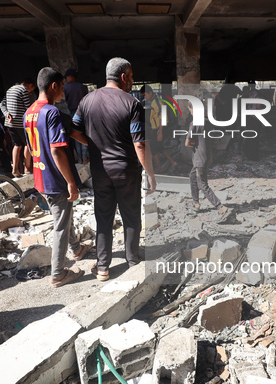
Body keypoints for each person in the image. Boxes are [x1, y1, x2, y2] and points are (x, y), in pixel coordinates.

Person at [72, 57, 156, 281]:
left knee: (103, 217)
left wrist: (91, 143)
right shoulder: (132, 103)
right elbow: (139, 143)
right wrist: (150, 173)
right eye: (131, 75)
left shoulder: (87, 101)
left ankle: (102, 268)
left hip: (100, 172)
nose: (133, 80)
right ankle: (132, 260)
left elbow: (73, 129)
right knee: (130, 216)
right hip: (126, 171)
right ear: (123, 77)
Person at [24, 67, 90, 287]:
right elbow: (57, 150)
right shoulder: (51, 113)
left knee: (64, 215)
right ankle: (58, 273)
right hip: (55, 179)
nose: (64, 91)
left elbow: (29, 147)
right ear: (54, 86)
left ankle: (77, 250)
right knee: (61, 224)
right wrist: (71, 182)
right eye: (62, 87)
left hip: (41, 177)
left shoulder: (29, 112)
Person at [185, 102, 231, 220]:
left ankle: (220, 206)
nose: (190, 112)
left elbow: (187, 143)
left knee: (202, 184)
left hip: (199, 158)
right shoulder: (207, 121)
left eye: (190, 109)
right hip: (206, 155)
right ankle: (196, 203)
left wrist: (194, 143)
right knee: (192, 176)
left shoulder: (194, 123)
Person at [0, 78, 36, 177]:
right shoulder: (23, 90)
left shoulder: (9, 90)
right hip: (20, 122)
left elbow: (2, 104)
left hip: (10, 122)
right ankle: (27, 168)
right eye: (31, 90)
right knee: (28, 143)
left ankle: (15, 169)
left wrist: (6, 113)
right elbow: (27, 106)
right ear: (30, 85)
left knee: (17, 145)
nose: (30, 92)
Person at [140, 84, 177, 173]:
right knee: (160, 148)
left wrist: (160, 131)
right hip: (156, 129)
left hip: (159, 129)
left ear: (150, 93)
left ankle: (159, 168)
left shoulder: (157, 101)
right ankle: (173, 162)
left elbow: (163, 117)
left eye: (145, 95)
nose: (145, 97)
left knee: (153, 148)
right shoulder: (154, 101)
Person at [63, 68, 89, 164]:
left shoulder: (66, 88)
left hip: (74, 113)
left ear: (70, 77)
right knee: (84, 134)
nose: (66, 80)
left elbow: (66, 101)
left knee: (76, 135)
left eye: (66, 78)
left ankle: (80, 159)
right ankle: (85, 157)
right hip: (84, 113)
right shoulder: (83, 87)